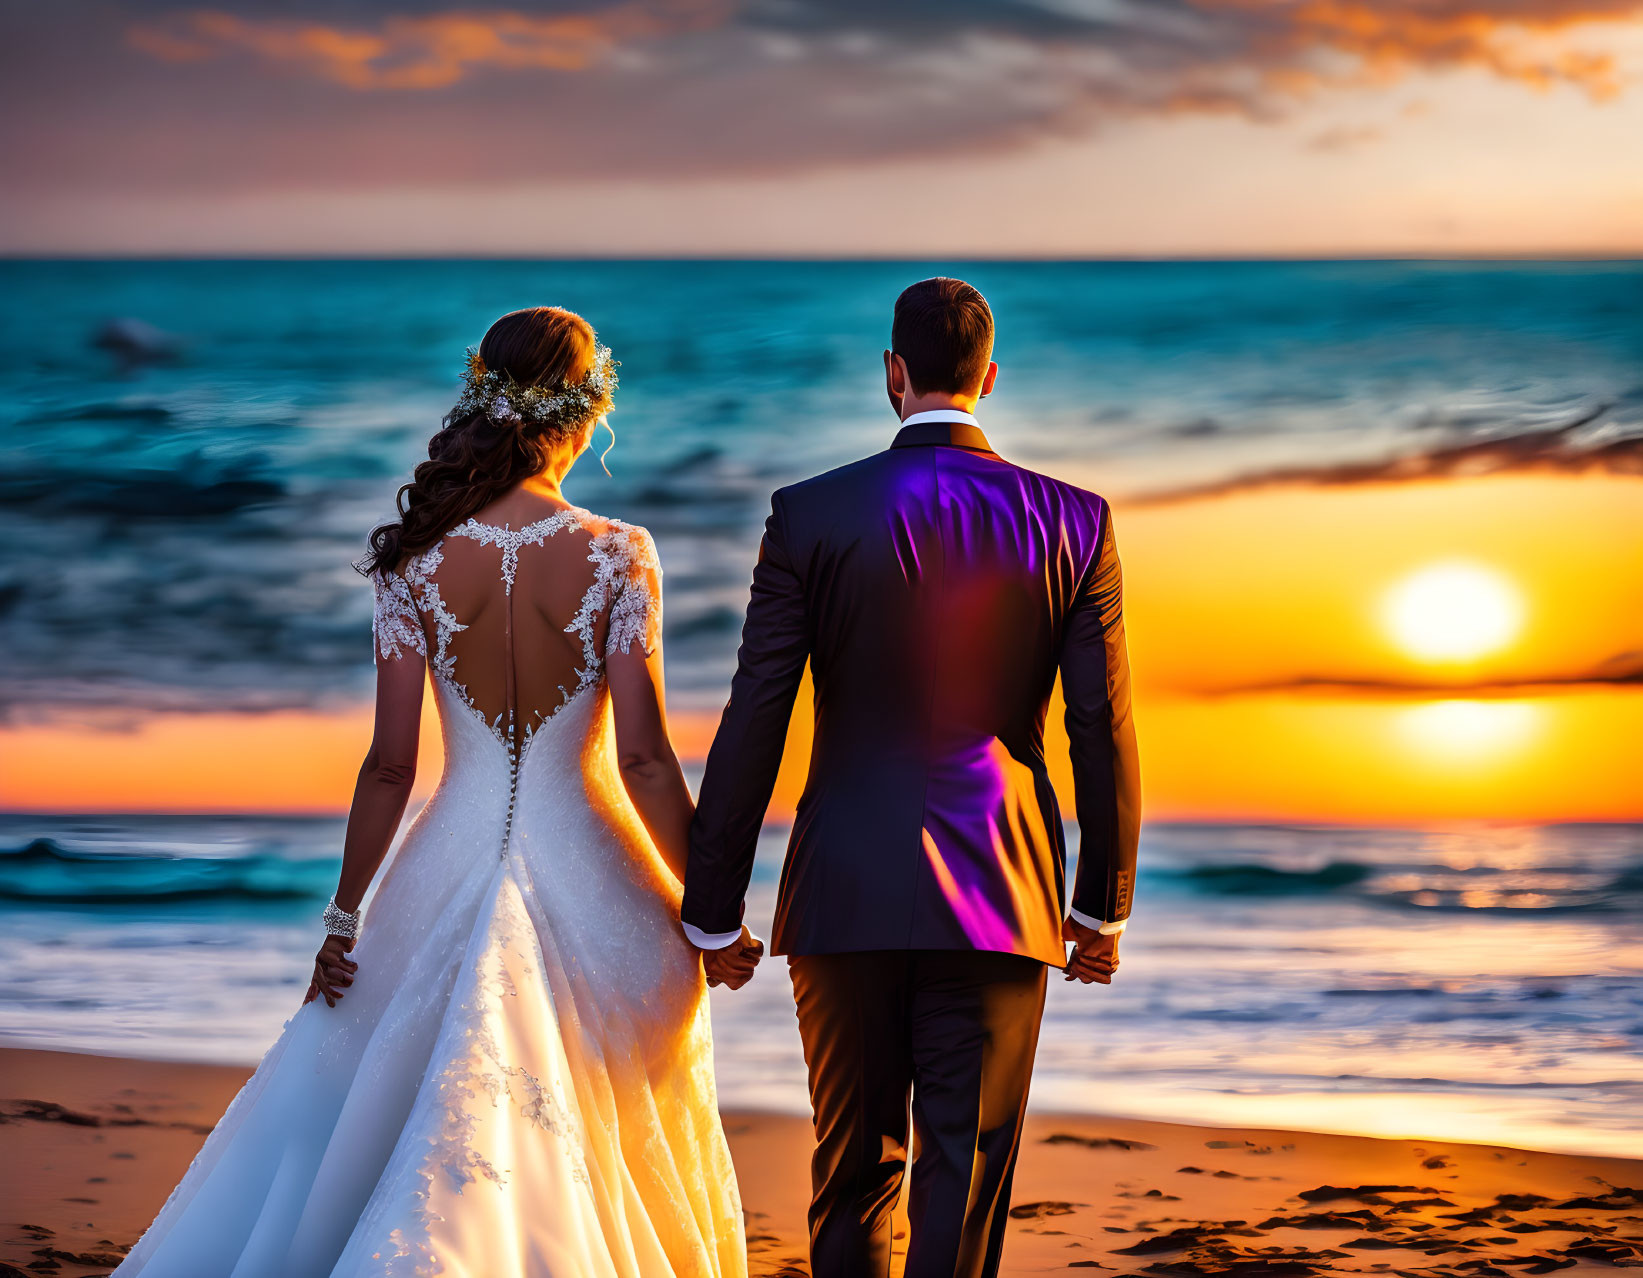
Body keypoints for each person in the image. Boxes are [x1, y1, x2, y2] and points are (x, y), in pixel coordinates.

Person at [115, 307, 752, 1278]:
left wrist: (343, 916)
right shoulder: (620, 551)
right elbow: (645, 763)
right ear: (587, 412)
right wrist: (708, 916)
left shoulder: (414, 559)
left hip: (441, 854)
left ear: (482, 401)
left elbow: (389, 766)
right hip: (592, 861)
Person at [683, 277, 1141, 1278]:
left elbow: (755, 711)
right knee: (962, 1179)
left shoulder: (805, 515)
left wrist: (711, 909)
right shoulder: (1074, 520)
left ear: (891, 374)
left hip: (839, 885)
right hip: (999, 889)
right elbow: (1096, 727)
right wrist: (1098, 907)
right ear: (988, 376)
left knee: (850, 1173)